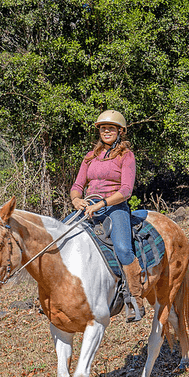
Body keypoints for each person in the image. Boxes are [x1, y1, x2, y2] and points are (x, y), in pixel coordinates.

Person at [70, 110, 145, 322]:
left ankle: (135, 301)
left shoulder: (126, 156)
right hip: (88, 207)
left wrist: (102, 204)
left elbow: (126, 190)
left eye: (111, 128)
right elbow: (77, 185)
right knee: (61, 235)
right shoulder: (90, 157)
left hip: (115, 207)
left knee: (123, 248)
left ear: (120, 131)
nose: (106, 131)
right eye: (103, 128)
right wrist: (76, 200)